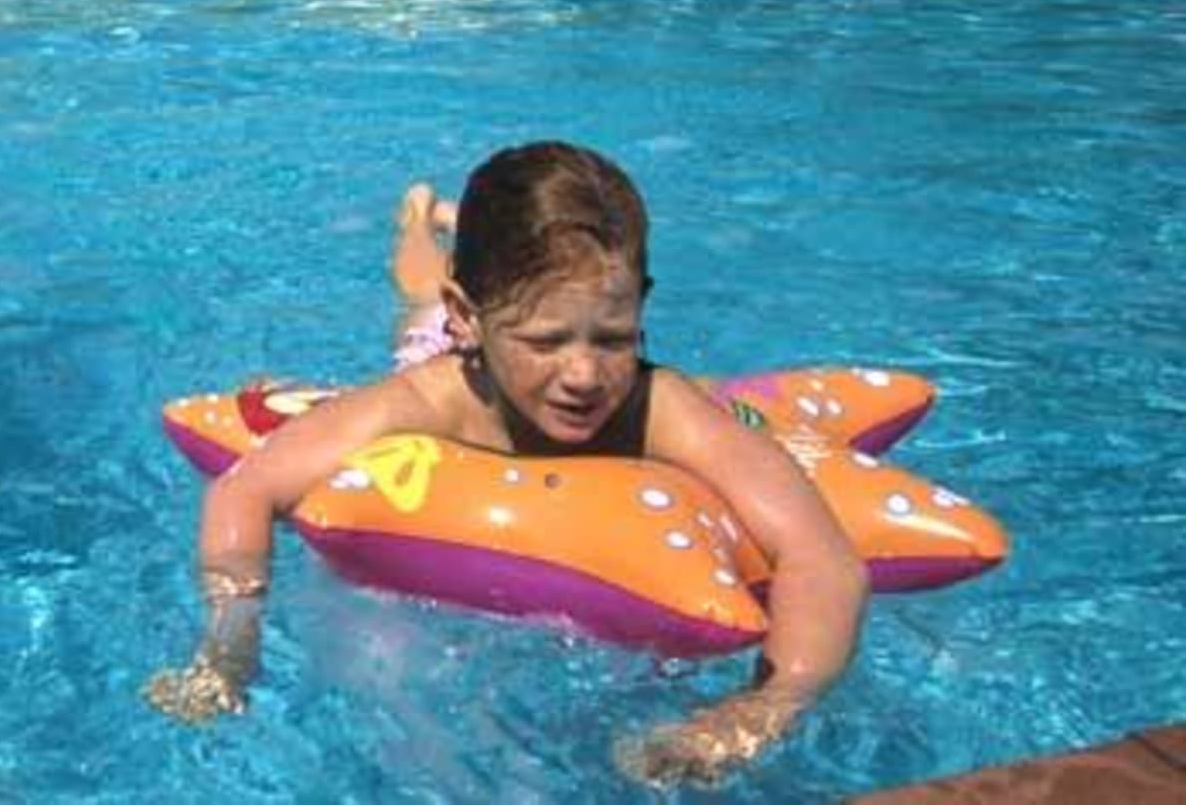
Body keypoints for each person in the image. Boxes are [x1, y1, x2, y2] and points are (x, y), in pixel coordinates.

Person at [145, 143, 871, 789]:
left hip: (486, 315)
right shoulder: (425, 398)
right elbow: (245, 489)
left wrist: (761, 709)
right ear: (472, 318)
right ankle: (418, 218)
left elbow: (824, 559)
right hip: (441, 342)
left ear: (641, 307)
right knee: (416, 293)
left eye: (612, 338)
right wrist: (229, 647)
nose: (583, 375)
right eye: (545, 341)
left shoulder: (661, 408)